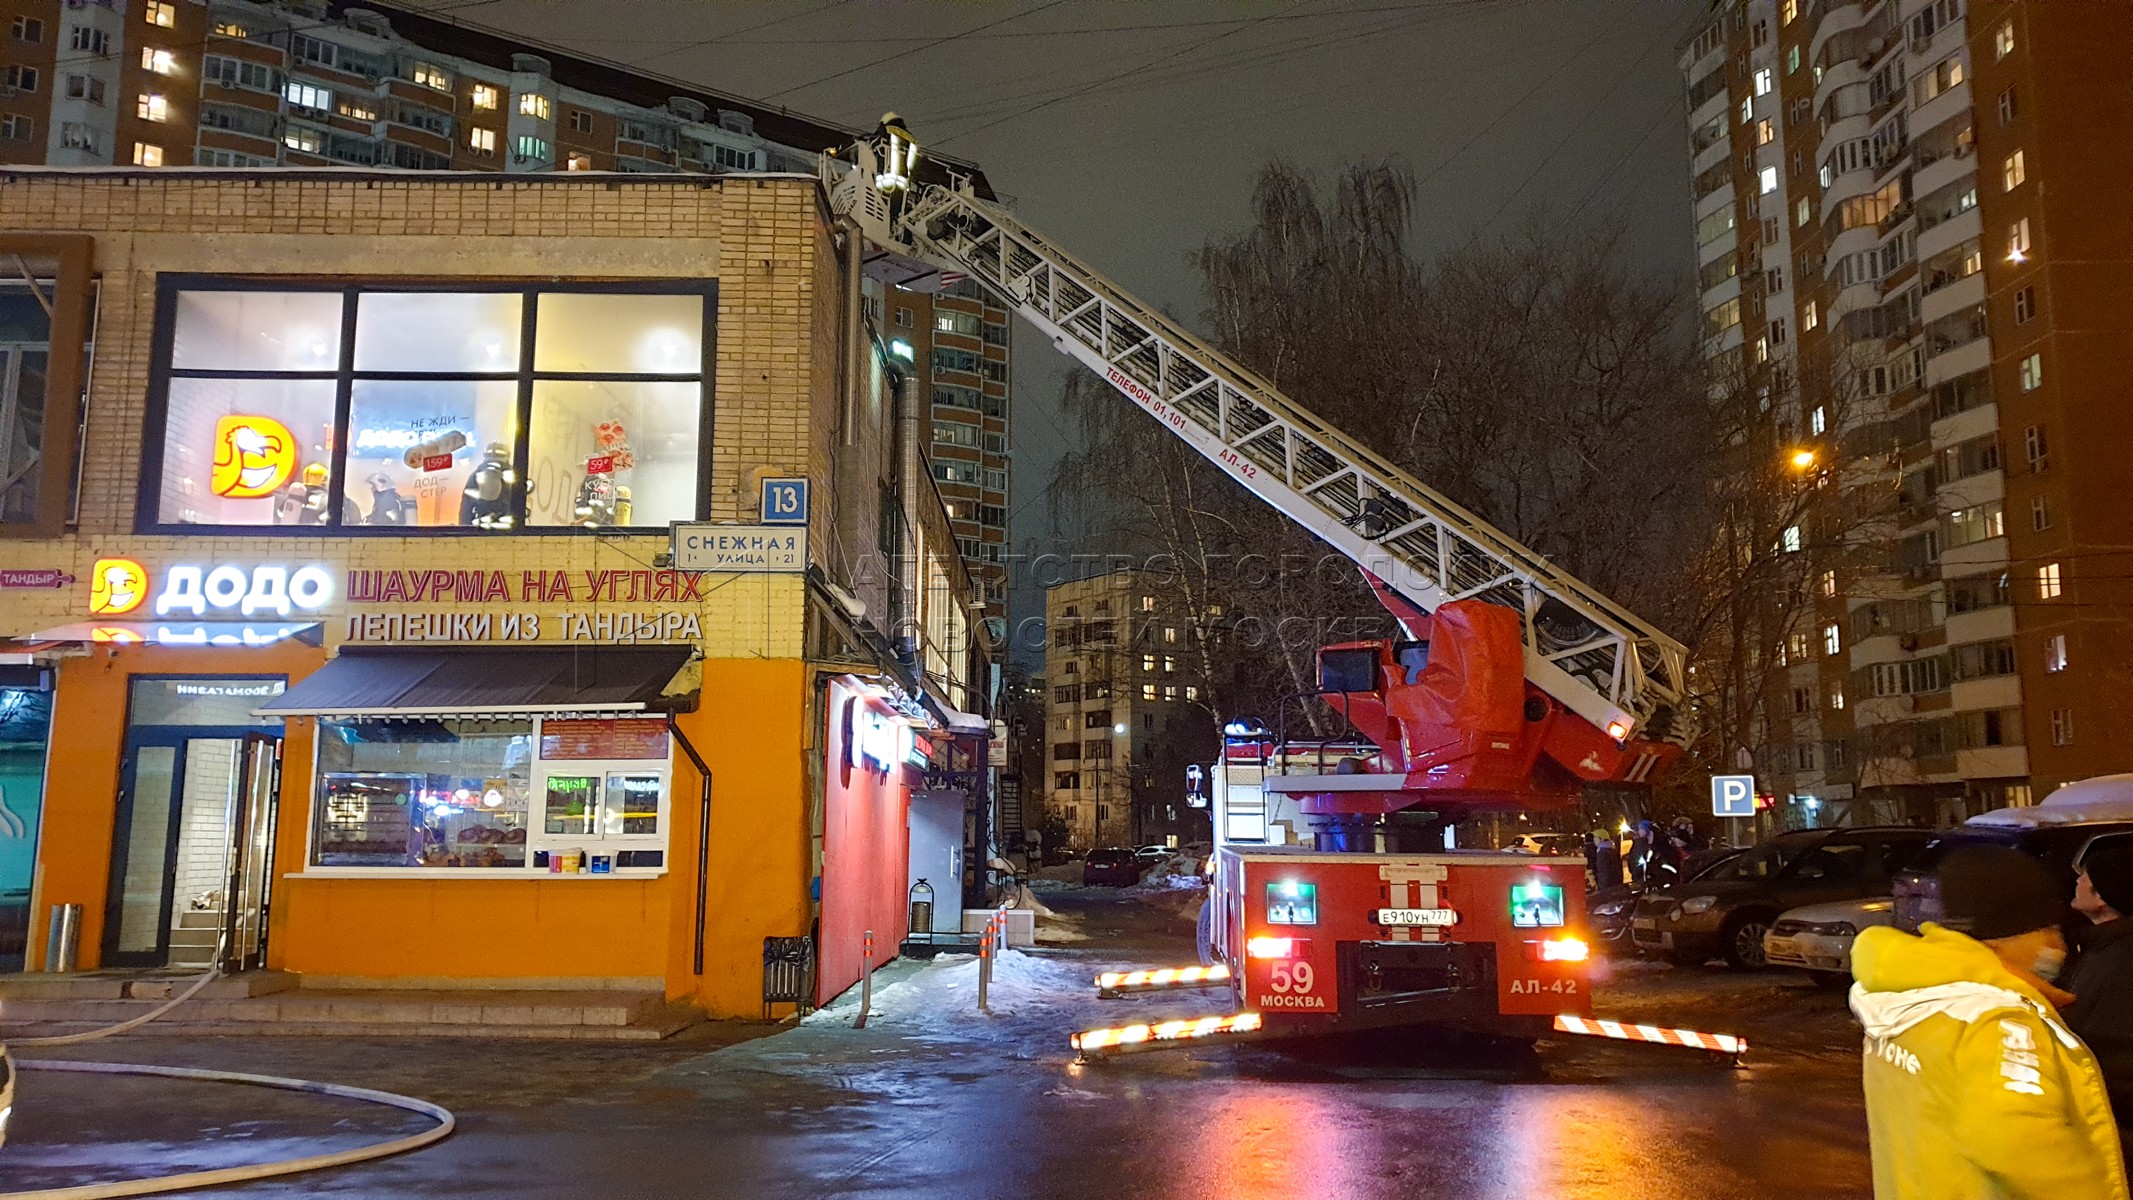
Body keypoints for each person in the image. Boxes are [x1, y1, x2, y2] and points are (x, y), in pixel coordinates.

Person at [1850, 846, 2129, 1199]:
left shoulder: (1914, 999)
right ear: (1999, 938)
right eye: (2045, 930)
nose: (2056, 946)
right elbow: (2017, 1139)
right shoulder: (1999, 1019)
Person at [2067, 843, 2133, 1143]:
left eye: (2086, 877)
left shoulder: (2119, 959)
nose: (2078, 880)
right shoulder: (2100, 946)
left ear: (2101, 897)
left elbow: (2114, 1049)